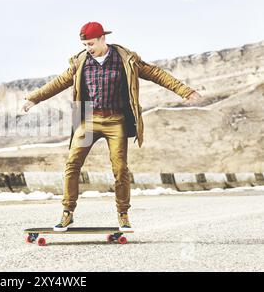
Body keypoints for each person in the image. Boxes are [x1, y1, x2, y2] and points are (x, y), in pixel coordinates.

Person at [21, 22, 202, 232]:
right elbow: (59, 82)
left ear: (102, 38)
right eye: (84, 44)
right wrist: (34, 99)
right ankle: (67, 213)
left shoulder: (126, 59)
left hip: (116, 120)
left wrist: (186, 92)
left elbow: (157, 74)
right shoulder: (81, 62)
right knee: (72, 164)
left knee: (120, 168)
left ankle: (123, 214)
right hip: (87, 119)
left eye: (90, 43)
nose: (88, 47)